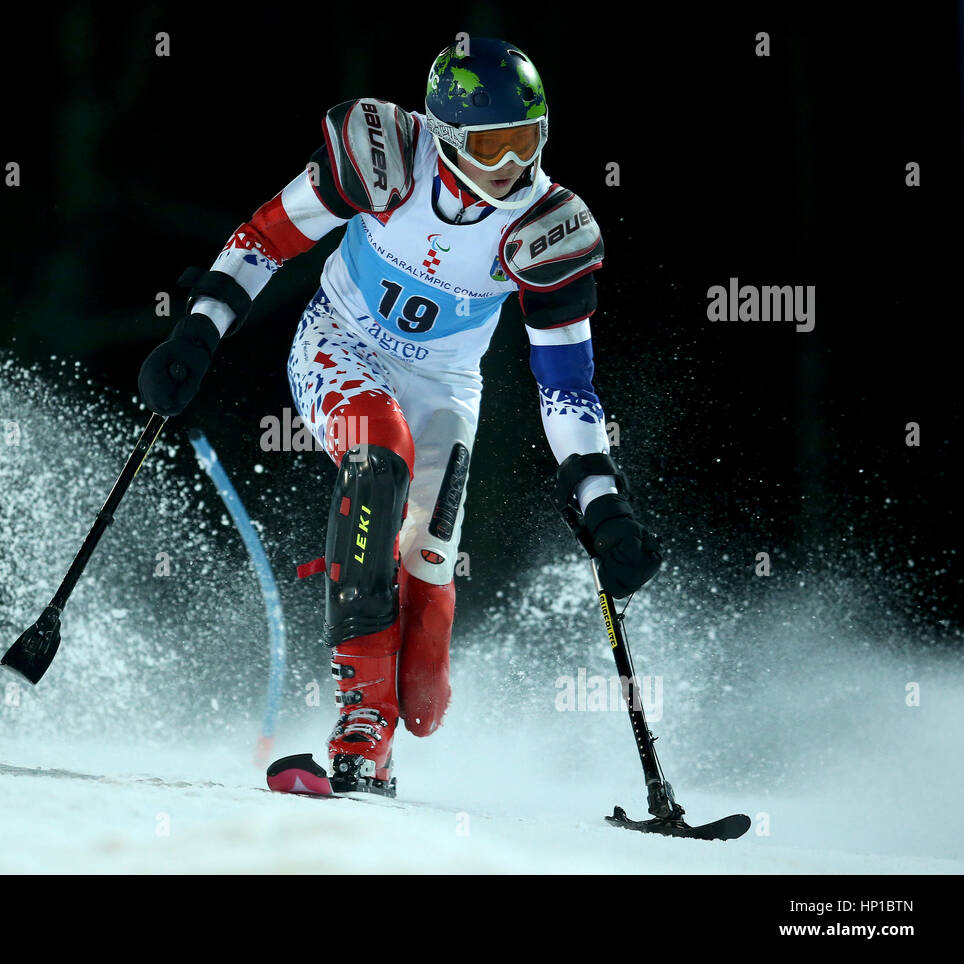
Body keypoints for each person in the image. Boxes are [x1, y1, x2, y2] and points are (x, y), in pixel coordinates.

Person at [138, 37, 662, 796]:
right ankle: (359, 724)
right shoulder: (385, 159)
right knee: (380, 458)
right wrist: (199, 330)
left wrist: (602, 501)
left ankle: (386, 739)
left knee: (425, 681)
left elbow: (566, 386)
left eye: (528, 140)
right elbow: (267, 235)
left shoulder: (546, 228)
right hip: (340, 346)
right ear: (446, 140)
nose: (512, 166)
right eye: (492, 147)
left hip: (445, 387)